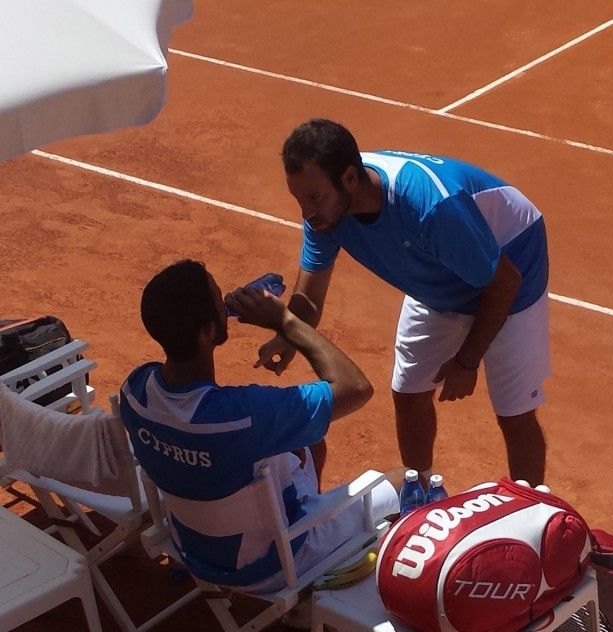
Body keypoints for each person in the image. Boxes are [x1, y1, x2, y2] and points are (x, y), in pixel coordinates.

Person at [257, 119, 550, 484]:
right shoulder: (327, 215)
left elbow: (503, 282)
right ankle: (421, 490)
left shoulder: (429, 206)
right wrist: (287, 333)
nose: (306, 212)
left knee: (513, 412)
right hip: (437, 276)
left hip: (510, 263)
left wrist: (467, 359)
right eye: (298, 198)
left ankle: (537, 512)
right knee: (409, 390)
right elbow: (310, 301)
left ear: (349, 178)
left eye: (314, 198)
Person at [119, 259, 403, 595]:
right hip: (274, 567)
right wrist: (284, 320)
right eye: (218, 299)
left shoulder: (134, 391)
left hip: (193, 551)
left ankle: (308, 508)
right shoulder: (245, 416)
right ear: (209, 331)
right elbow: (356, 387)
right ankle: (313, 589)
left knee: (311, 445)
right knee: (408, 479)